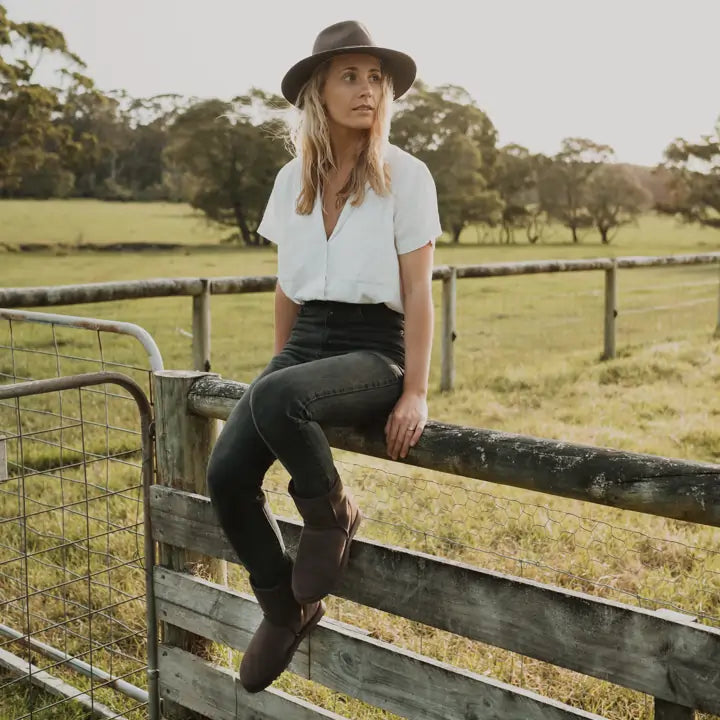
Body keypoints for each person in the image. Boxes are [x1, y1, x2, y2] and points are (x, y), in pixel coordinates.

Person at [206, 19, 442, 694]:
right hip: (307, 344)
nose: (367, 89)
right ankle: (285, 609)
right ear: (319, 89)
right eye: (350, 76)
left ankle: (332, 515)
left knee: (280, 397)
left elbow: (420, 296)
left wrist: (417, 391)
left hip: (374, 349)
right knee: (226, 474)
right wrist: (282, 371)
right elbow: (286, 286)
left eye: (376, 77)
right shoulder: (291, 180)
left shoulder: (408, 176)